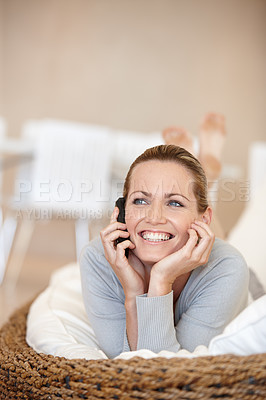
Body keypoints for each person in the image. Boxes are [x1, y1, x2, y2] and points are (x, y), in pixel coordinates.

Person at [80, 145, 249, 359]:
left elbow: (168, 375)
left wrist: (161, 280)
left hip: (246, 286)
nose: (154, 217)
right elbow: (125, 364)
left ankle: (208, 176)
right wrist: (133, 293)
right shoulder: (97, 258)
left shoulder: (228, 269)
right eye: (141, 200)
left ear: (203, 219)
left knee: (227, 246)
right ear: (121, 212)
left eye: (175, 202)